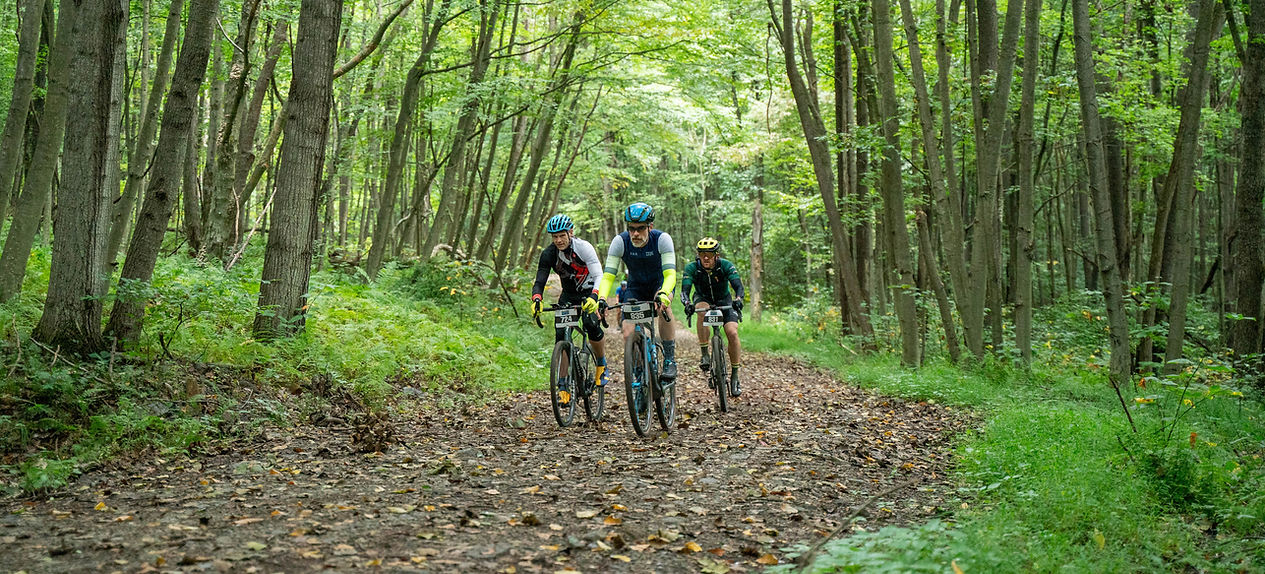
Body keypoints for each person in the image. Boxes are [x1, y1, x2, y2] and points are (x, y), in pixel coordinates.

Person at [596, 202, 679, 380]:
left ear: (650, 226)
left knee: (664, 306)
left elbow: (671, 274)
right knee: (627, 332)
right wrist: (601, 298)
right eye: (631, 228)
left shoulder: (662, 239)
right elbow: (608, 276)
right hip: (636, 287)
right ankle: (639, 373)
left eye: (640, 229)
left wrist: (664, 293)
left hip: (660, 284)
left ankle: (670, 360)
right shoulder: (620, 241)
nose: (635, 233)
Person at [531, 214, 609, 402]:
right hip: (568, 295)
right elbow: (540, 279)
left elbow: (599, 274)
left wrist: (595, 296)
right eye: (554, 237)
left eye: (562, 236)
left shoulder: (584, 248)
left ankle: (601, 363)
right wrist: (537, 298)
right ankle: (563, 383)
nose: (558, 240)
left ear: (570, 233)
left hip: (589, 291)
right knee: (561, 336)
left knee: (591, 324)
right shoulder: (549, 254)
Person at [680, 237, 745, 397]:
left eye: (709, 254)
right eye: (702, 254)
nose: (706, 258)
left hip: (724, 300)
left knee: (732, 333)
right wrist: (687, 303)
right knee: (701, 310)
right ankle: (705, 354)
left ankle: (735, 375)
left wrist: (738, 299)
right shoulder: (692, 268)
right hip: (702, 298)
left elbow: (738, 286)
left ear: (717, 255)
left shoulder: (726, 265)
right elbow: (685, 290)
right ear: (698, 255)